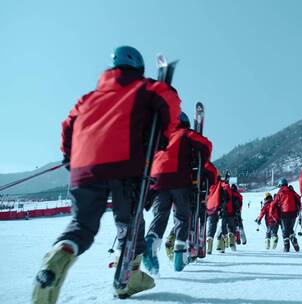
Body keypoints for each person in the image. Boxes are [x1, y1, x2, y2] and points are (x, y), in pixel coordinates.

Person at [33, 46, 181, 303]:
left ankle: (58, 257)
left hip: (84, 167)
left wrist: (69, 156)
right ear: (139, 67)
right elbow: (170, 106)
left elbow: (68, 126)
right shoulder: (147, 88)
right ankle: (128, 276)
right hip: (125, 165)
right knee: (130, 225)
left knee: (82, 226)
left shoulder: (88, 97)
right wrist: (163, 140)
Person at [142, 112, 212, 273]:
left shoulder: (162, 136)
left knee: (160, 215)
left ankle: (151, 240)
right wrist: (200, 158)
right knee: (182, 216)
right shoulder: (186, 133)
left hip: (157, 179)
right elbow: (206, 145)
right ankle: (179, 254)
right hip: (179, 178)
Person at [270, 179, 302, 252]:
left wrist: (272, 213)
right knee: (290, 229)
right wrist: (299, 209)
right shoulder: (292, 191)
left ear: (281, 185)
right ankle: (294, 242)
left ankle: (286, 247)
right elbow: (299, 198)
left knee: (285, 231)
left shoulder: (280, 192)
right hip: (293, 213)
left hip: (284, 214)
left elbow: (273, 203)